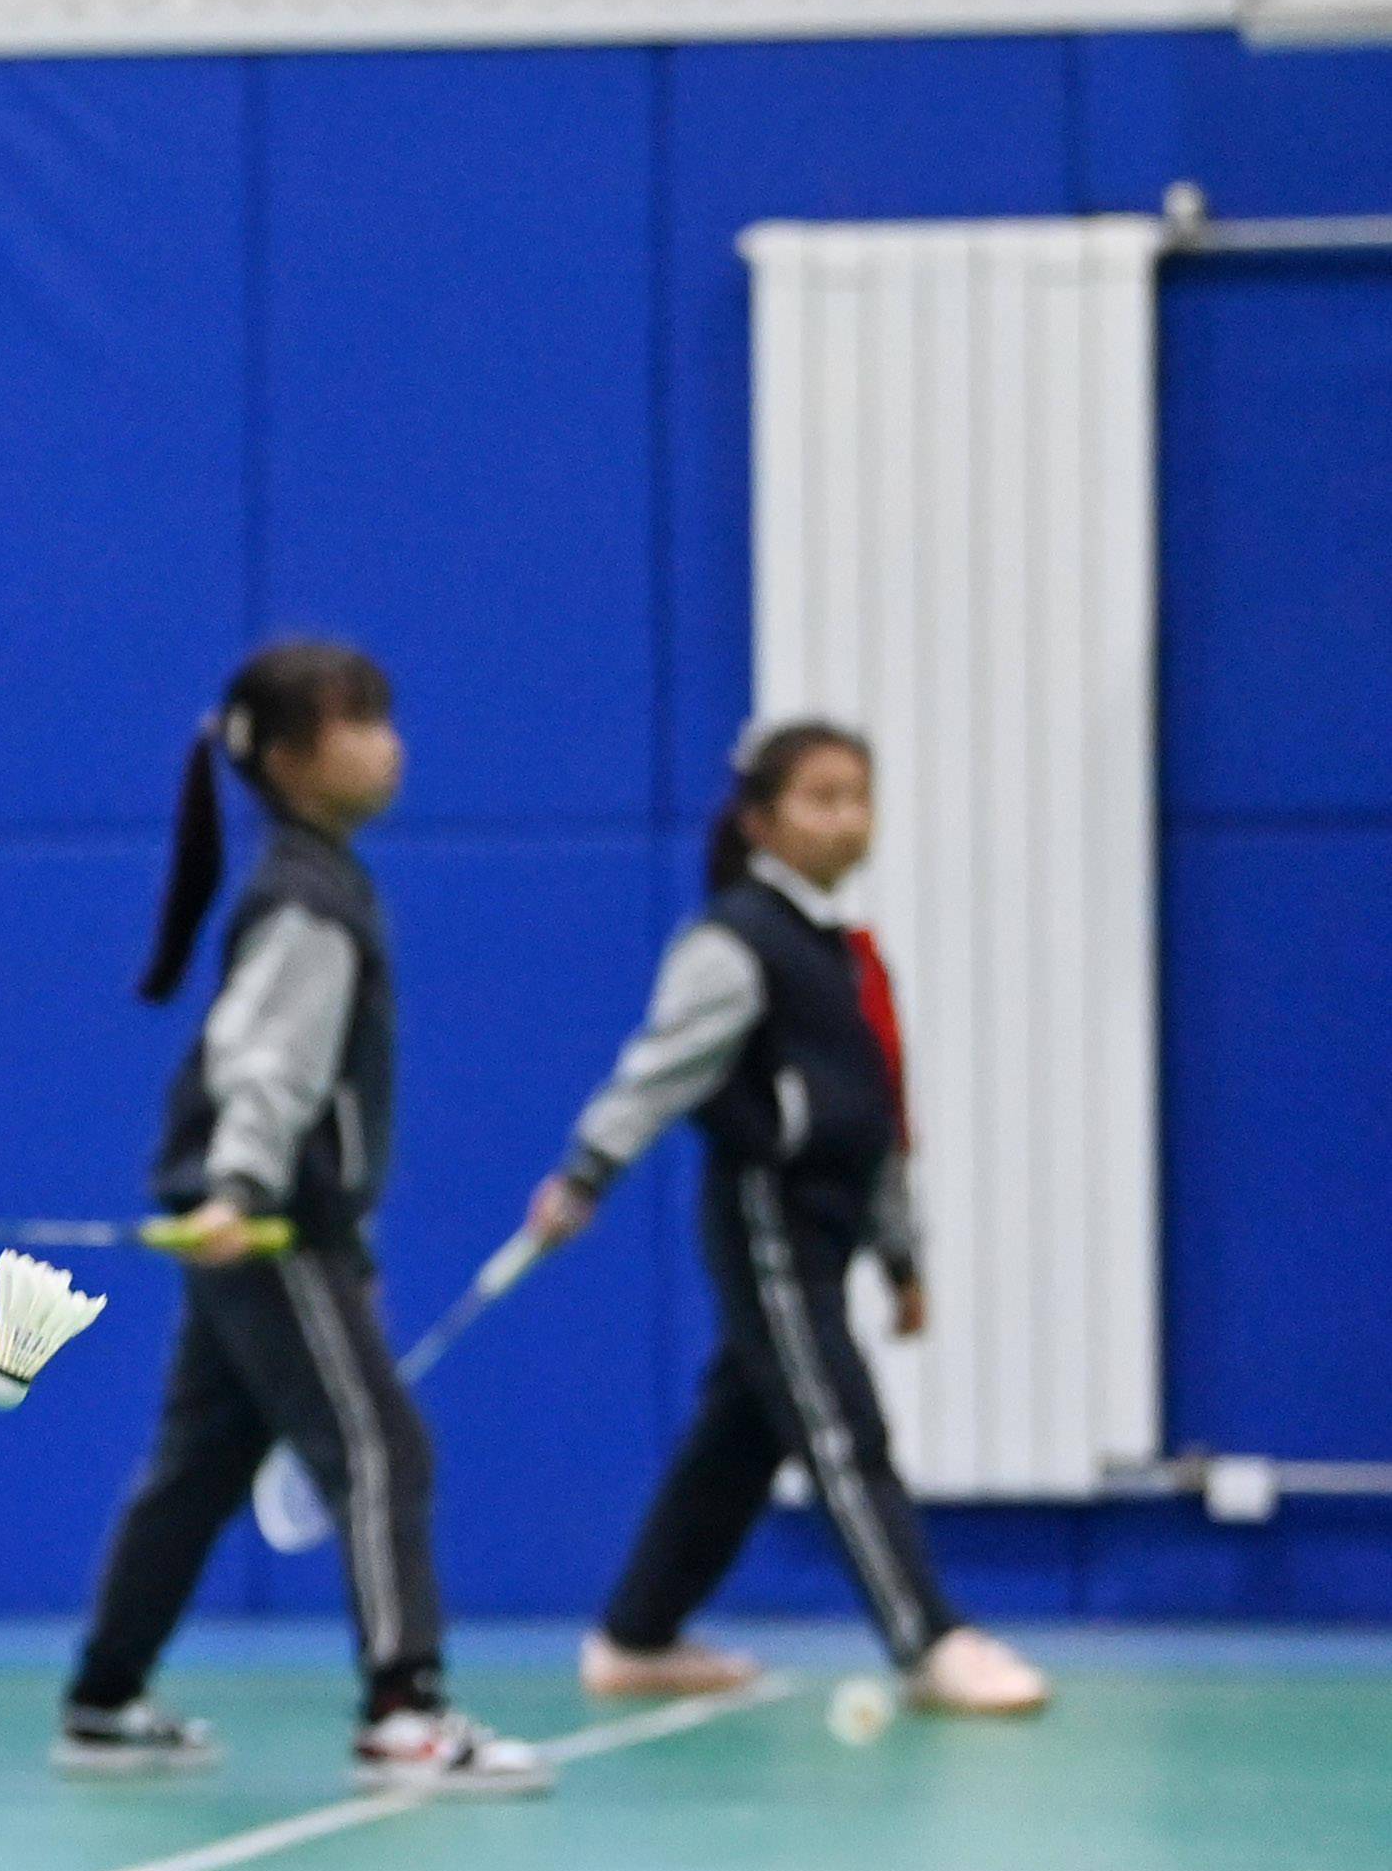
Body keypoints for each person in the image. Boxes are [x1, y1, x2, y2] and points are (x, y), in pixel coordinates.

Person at [55, 643, 542, 1794]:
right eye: (356, 723)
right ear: (285, 761)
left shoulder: (321, 880)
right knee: (379, 1452)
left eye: (386, 716)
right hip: (264, 1220)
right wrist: (242, 1188)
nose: (389, 742)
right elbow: (266, 1063)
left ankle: (105, 1697)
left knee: (200, 1465)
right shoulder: (308, 901)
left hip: (280, 1220)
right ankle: (404, 1711)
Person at [524, 719, 1046, 1715]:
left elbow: (886, 1112)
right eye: (822, 797)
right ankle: (928, 1641)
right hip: (767, 1218)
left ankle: (636, 1637)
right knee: (839, 1425)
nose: (849, 817)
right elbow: (660, 1068)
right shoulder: (733, 941)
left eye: (861, 795)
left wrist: (901, 1253)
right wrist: (586, 1173)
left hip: (836, 1222)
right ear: (761, 819)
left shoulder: (846, 953)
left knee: (744, 1432)